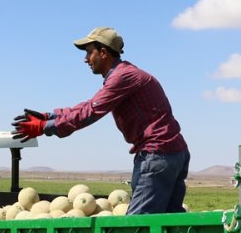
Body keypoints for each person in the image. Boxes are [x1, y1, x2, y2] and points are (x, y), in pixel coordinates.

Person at [12, 27, 189, 214]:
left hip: (157, 154)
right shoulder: (125, 74)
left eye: (89, 52)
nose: (85, 59)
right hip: (173, 153)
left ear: (103, 53)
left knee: (139, 225)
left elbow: (90, 112)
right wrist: (50, 117)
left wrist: (44, 127)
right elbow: (89, 105)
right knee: (169, 221)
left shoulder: (122, 77)